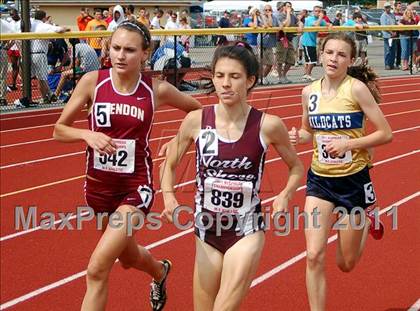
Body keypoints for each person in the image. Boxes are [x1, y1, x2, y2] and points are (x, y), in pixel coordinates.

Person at [53, 20, 201, 311]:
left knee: (97, 268)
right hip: (98, 187)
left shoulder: (155, 89)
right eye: (116, 48)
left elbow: (196, 110)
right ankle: (160, 270)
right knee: (128, 258)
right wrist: (87, 134)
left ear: (145, 53)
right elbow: (59, 129)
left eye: (130, 50)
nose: (120, 55)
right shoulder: (93, 81)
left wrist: (178, 141)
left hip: (136, 186)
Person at [160, 41, 304, 310]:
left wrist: (285, 194)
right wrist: (169, 198)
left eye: (234, 77)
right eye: (219, 75)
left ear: (250, 80)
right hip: (206, 231)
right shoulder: (196, 120)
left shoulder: (268, 125)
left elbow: (296, 167)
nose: (225, 83)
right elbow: (168, 165)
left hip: (246, 230)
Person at [288, 32, 393, 311]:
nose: (334, 58)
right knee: (313, 255)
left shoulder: (356, 89)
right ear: (320, 55)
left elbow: (386, 133)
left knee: (345, 264)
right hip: (319, 181)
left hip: (353, 182)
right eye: (330, 52)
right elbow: (307, 131)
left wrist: (350, 143)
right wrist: (295, 136)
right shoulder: (308, 92)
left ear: (351, 60)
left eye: (341, 54)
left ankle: (369, 217)